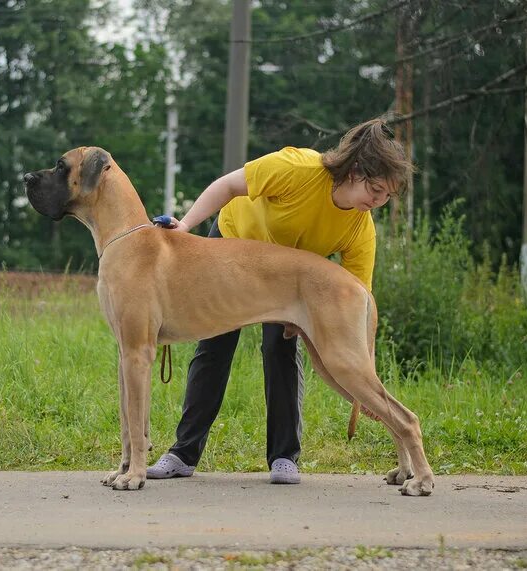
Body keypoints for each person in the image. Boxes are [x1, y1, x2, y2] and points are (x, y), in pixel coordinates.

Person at [146, 117, 413, 484]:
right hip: (232, 244)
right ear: (354, 171)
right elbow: (228, 186)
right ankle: (182, 453)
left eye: (387, 196)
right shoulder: (296, 169)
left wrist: (364, 380)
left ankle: (284, 457)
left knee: (282, 349)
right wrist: (186, 226)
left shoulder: (361, 229)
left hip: (287, 279)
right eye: (377, 190)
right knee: (214, 347)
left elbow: (357, 302)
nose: (379, 202)